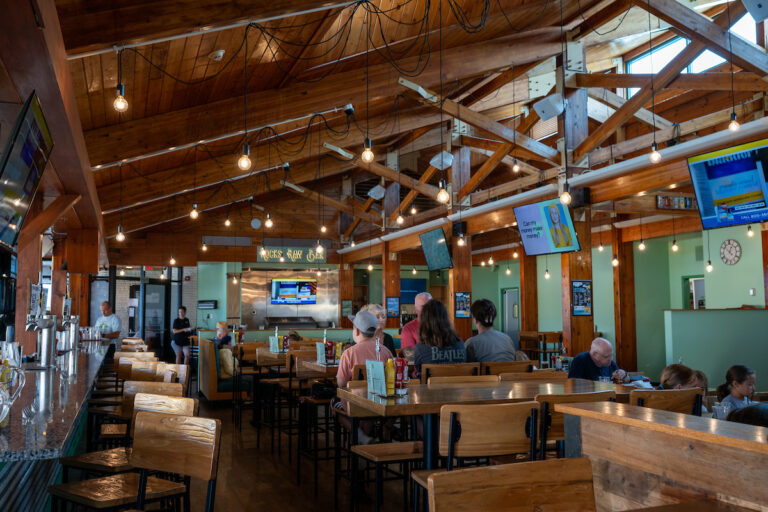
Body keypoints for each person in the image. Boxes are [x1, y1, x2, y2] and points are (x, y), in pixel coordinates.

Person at [336, 310, 393, 389]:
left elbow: (341, 384)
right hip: (380, 400)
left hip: (353, 400)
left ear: (357, 331)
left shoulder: (348, 353)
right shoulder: (386, 352)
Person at [412, 300, 466, 377]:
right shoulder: (460, 343)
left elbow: (418, 371)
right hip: (457, 387)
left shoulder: (421, 347)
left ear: (424, 321)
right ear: (446, 318)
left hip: (430, 388)